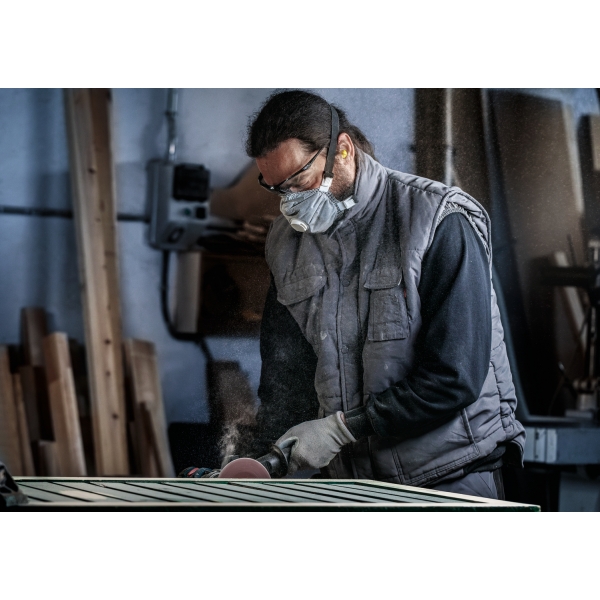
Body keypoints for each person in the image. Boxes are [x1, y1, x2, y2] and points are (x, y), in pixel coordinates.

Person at [240, 90, 525, 499]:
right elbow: (286, 378)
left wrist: (341, 430)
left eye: (299, 182)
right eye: (277, 189)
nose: (291, 203)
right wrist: (258, 462)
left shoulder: (437, 219)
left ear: (342, 150)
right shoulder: (287, 245)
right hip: (352, 487)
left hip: (453, 477)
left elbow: (454, 378)